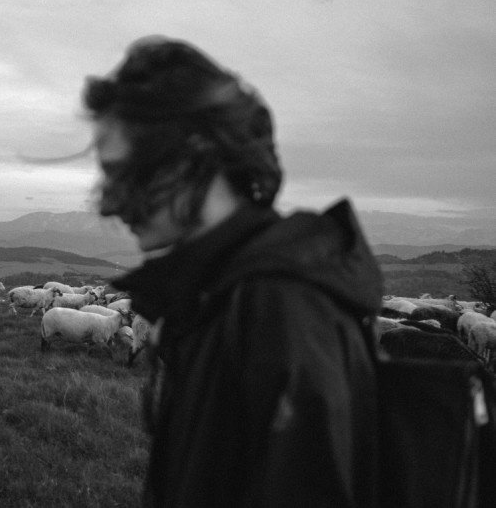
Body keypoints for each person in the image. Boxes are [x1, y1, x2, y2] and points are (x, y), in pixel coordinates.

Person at [83, 36, 384, 507]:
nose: (107, 201)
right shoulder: (221, 298)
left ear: (194, 152)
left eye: (124, 171)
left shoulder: (280, 313)